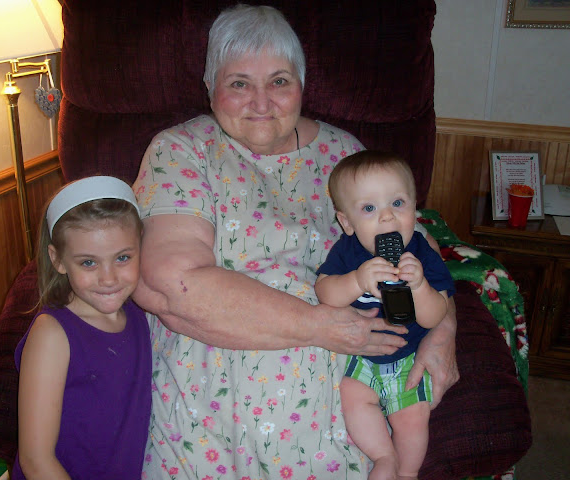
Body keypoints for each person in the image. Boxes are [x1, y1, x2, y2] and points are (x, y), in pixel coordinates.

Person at [132, 5, 459, 479]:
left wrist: (445, 332)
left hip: (349, 395)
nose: (261, 102)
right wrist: (317, 326)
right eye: (239, 83)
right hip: (211, 403)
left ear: (302, 85)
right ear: (209, 86)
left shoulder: (345, 154)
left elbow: (415, 247)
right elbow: (173, 284)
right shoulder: (181, 150)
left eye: (279, 81)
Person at [314, 151, 456, 480]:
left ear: (414, 209)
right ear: (347, 222)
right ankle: (383, 457)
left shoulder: (421, 253)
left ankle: (407, 473)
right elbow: (325, 292)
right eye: (369, 208)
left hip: (408, 358)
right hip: (361, 358)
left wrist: (419, 286)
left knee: (414, 417)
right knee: (353, 399)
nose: (388, 217)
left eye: (398, 203)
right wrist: (357, 280)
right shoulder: (347, 251)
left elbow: (435, 315)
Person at [13, 176, 152, 480]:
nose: (109, 279)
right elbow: (35, 460)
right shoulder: (51, 335)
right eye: (89, 262)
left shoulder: (139, 314)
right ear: (58, 260)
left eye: (123, 258)